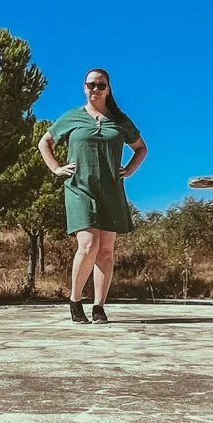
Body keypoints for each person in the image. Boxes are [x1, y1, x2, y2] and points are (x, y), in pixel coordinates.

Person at [39, 68, 147, 323]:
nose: (95, 89)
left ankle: (98, 306)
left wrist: (129, 170)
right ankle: (75, 301)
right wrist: (56, 167)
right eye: (91, 85)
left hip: (111, 189)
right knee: (88, 245)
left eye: (101, 85)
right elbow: (45, 142)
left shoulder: (119, 120)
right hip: (79, 188)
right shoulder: (72, 117)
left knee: (106, 250)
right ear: (84, 88)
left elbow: (141, 148)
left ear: (108, 88)